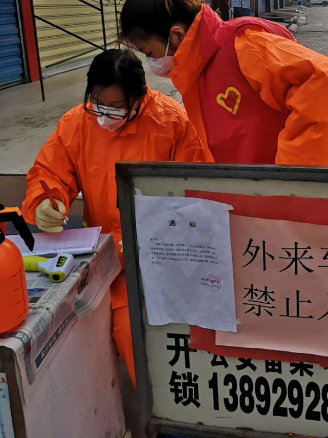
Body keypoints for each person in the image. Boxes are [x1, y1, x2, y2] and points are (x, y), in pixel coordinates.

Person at [22, 49, 205, 385]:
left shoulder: (170, 121)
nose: (105, 115)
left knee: (151, 350)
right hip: (101, 259)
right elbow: (49, 173)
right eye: (97, 103)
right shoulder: (77, 124)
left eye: (117, 107)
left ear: (140, 97)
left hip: (160, 257)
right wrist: (47, 201)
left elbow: (196, 189)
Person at [120, 0, 328, 167]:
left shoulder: (243, 46)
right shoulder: (197, 72)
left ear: (176, 35)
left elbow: (325, 81)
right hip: (275, 198)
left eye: (149, 52)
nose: (150, 62)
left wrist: (292, 175)